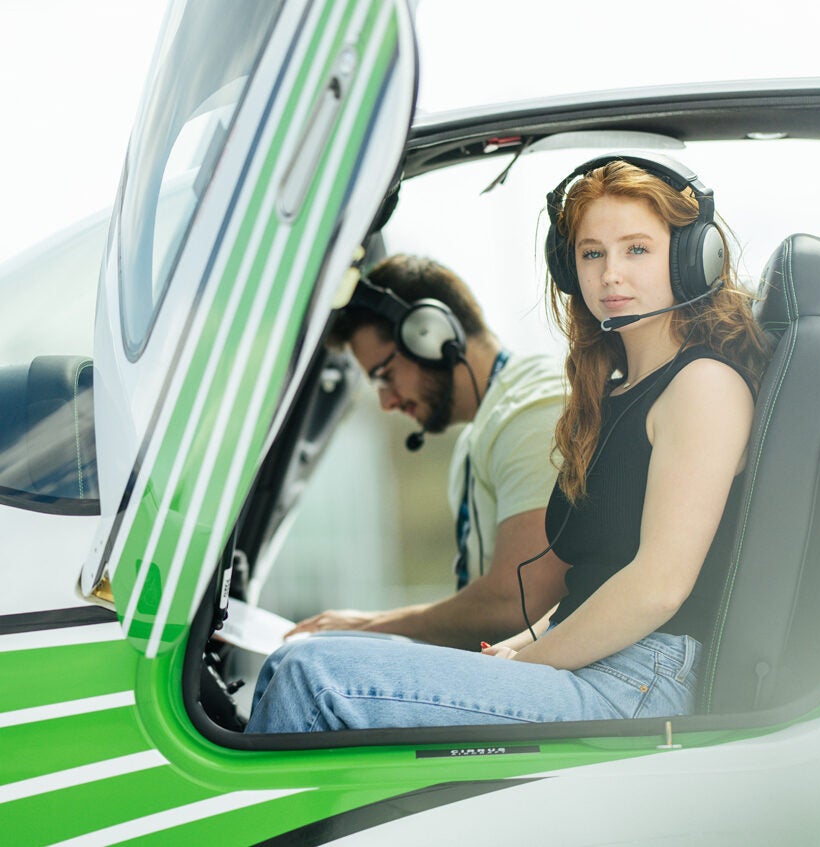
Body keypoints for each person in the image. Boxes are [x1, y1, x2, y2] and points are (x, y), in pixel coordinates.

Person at [245, 154, 770, 734]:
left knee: (310, 674)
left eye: (637, 249)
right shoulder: (615, 392)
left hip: (642, 681)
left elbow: (657, 588)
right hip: (598, 666)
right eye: (592, 253)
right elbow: (589, 583)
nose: (610, 274)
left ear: (695, 259)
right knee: (287, 666)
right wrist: (517, 645)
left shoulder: (703, 385)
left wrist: (527, 662)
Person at [287, 253, 569, 650]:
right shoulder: (484, 432)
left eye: (384, 376)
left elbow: (517, 601)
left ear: (430, 333)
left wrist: (367, 627)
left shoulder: (533, 411)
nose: (386, 402)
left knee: (310, 669)